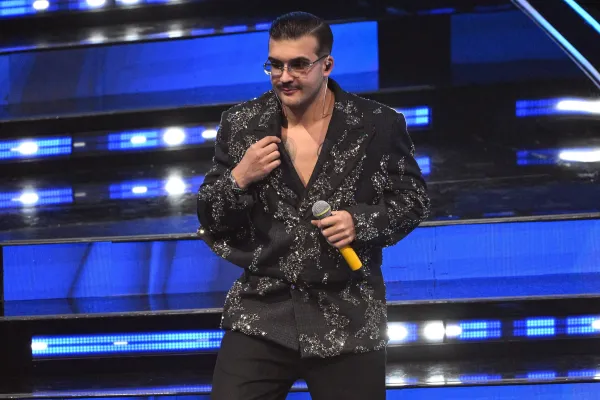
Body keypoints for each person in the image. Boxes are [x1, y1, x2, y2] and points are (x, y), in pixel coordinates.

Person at [197, 11, 430, 400]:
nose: (284, 76)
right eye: (275, 65)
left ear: (327, 65)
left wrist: (359, 222)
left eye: (299, 65)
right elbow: (210, 216)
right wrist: (240, 177)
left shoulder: (377, 124)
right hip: (263, 310)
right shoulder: (242, 125)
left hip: (348, 312)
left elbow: (413, 200)